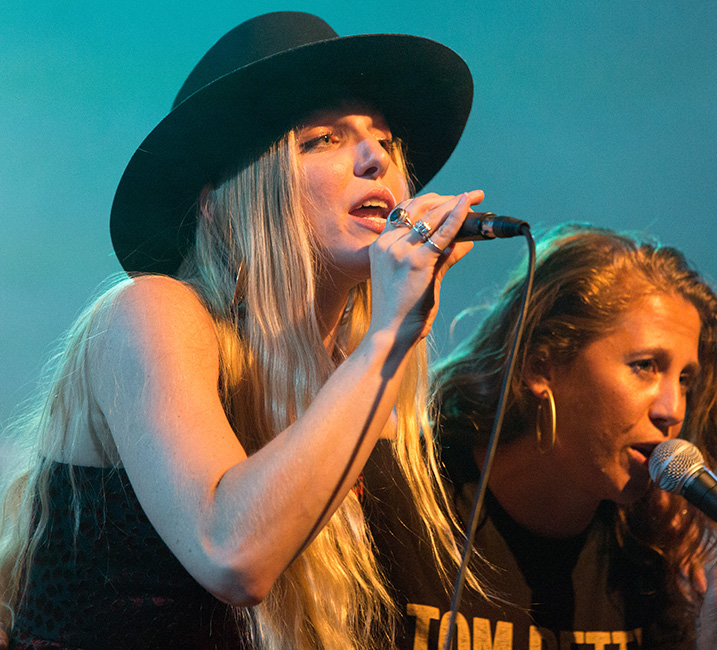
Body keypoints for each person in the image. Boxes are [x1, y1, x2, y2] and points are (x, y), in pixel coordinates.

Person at [0, 11, 481, 650]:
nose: (376, 161)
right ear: (221, 198)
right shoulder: (149, 313)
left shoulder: (354, 384)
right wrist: (390, 336)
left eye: (387, 142)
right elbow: (232, 553)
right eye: (324, 140)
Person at [363, 224, 717, 650]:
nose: (672, 410)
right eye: (645, 366)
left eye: (685, 380)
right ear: (540, 365)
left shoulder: (656, 560)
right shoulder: (391, 495)